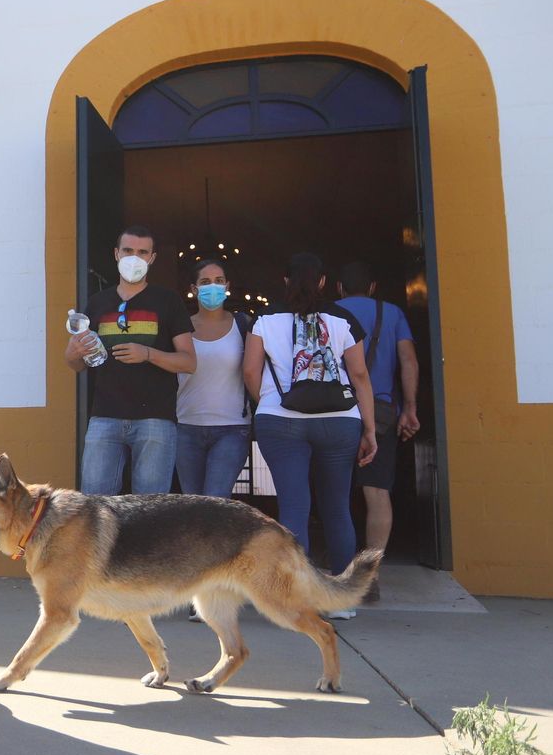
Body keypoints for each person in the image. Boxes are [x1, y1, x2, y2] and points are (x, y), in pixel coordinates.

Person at [242, 253, 377, 620]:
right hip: (339, 421)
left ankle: (295, 598)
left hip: (281, 421)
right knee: (337, 507)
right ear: (322, 282)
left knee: (294, 507)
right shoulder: (342, 319)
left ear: (285, 281)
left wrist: (270, 402)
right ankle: (342, 602)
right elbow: (361, 375)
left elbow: (250, 371)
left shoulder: (265, 320)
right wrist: (370, 427)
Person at [66, 226, 195, 496]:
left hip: (155, 419)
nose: (134, 258)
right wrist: (75, 351)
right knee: (93, 504)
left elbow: (188, 362)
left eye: (142, 252)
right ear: (116, 254)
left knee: (149, 509)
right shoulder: (98, 303)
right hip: (104, 416)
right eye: (128, 251)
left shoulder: (168, 301)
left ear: (152, 258)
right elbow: (76, 364)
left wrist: (148, 354)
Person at [335, 261, 420, 600]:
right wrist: (410, 407)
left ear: (338, 288)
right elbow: (409, 361)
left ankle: (336, 569)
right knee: (377, 492)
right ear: (372, 288)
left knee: (333, 492)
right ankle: (369, 577)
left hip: (335, 410)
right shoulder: (393, 313)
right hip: (383, 412)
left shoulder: (329, 312)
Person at [175, 258, 253, 499]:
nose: (213, 287)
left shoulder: (244, 324)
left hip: (232, 429)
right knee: (193, 504)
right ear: (194, 289)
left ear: (227, 286)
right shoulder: (179, 328)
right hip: (186, 428)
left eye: (219, 281)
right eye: (206, 282)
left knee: (217, 501)